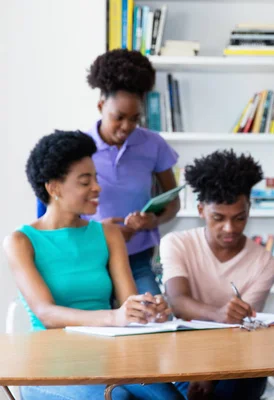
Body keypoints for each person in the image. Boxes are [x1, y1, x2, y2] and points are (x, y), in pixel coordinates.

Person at [4, 130, 184, 400]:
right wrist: (115, 317)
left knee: (169, 397)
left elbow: (128, 300)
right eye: (85, 181)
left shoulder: (108, 234)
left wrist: (148, 310)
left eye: (96, 178)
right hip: (49, 367)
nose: (97, 188)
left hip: (109, 356)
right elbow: (47, 314)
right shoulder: (21, 241)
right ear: (53, 188)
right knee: (118, 397)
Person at [160, 149, 274, 400]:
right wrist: (218, 314)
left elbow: (242, 331)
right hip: (186, 357)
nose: (230, 228)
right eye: (218, 218)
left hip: (239, 360)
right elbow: (178, 302)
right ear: (201, 210)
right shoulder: (176, 243)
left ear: (249, 208)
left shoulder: (265, 261)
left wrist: (211, 374)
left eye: (239, 218)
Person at [84, 48, 180, 295]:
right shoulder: (79, 147)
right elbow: (59, 211)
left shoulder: (153, 144)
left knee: (154, 322)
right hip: (90, 258)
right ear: (100, 105)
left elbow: (172, 202)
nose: (127, 126)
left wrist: (154, 220)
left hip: (137, 259)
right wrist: (101, 231)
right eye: (119, 117)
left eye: (135, 118)